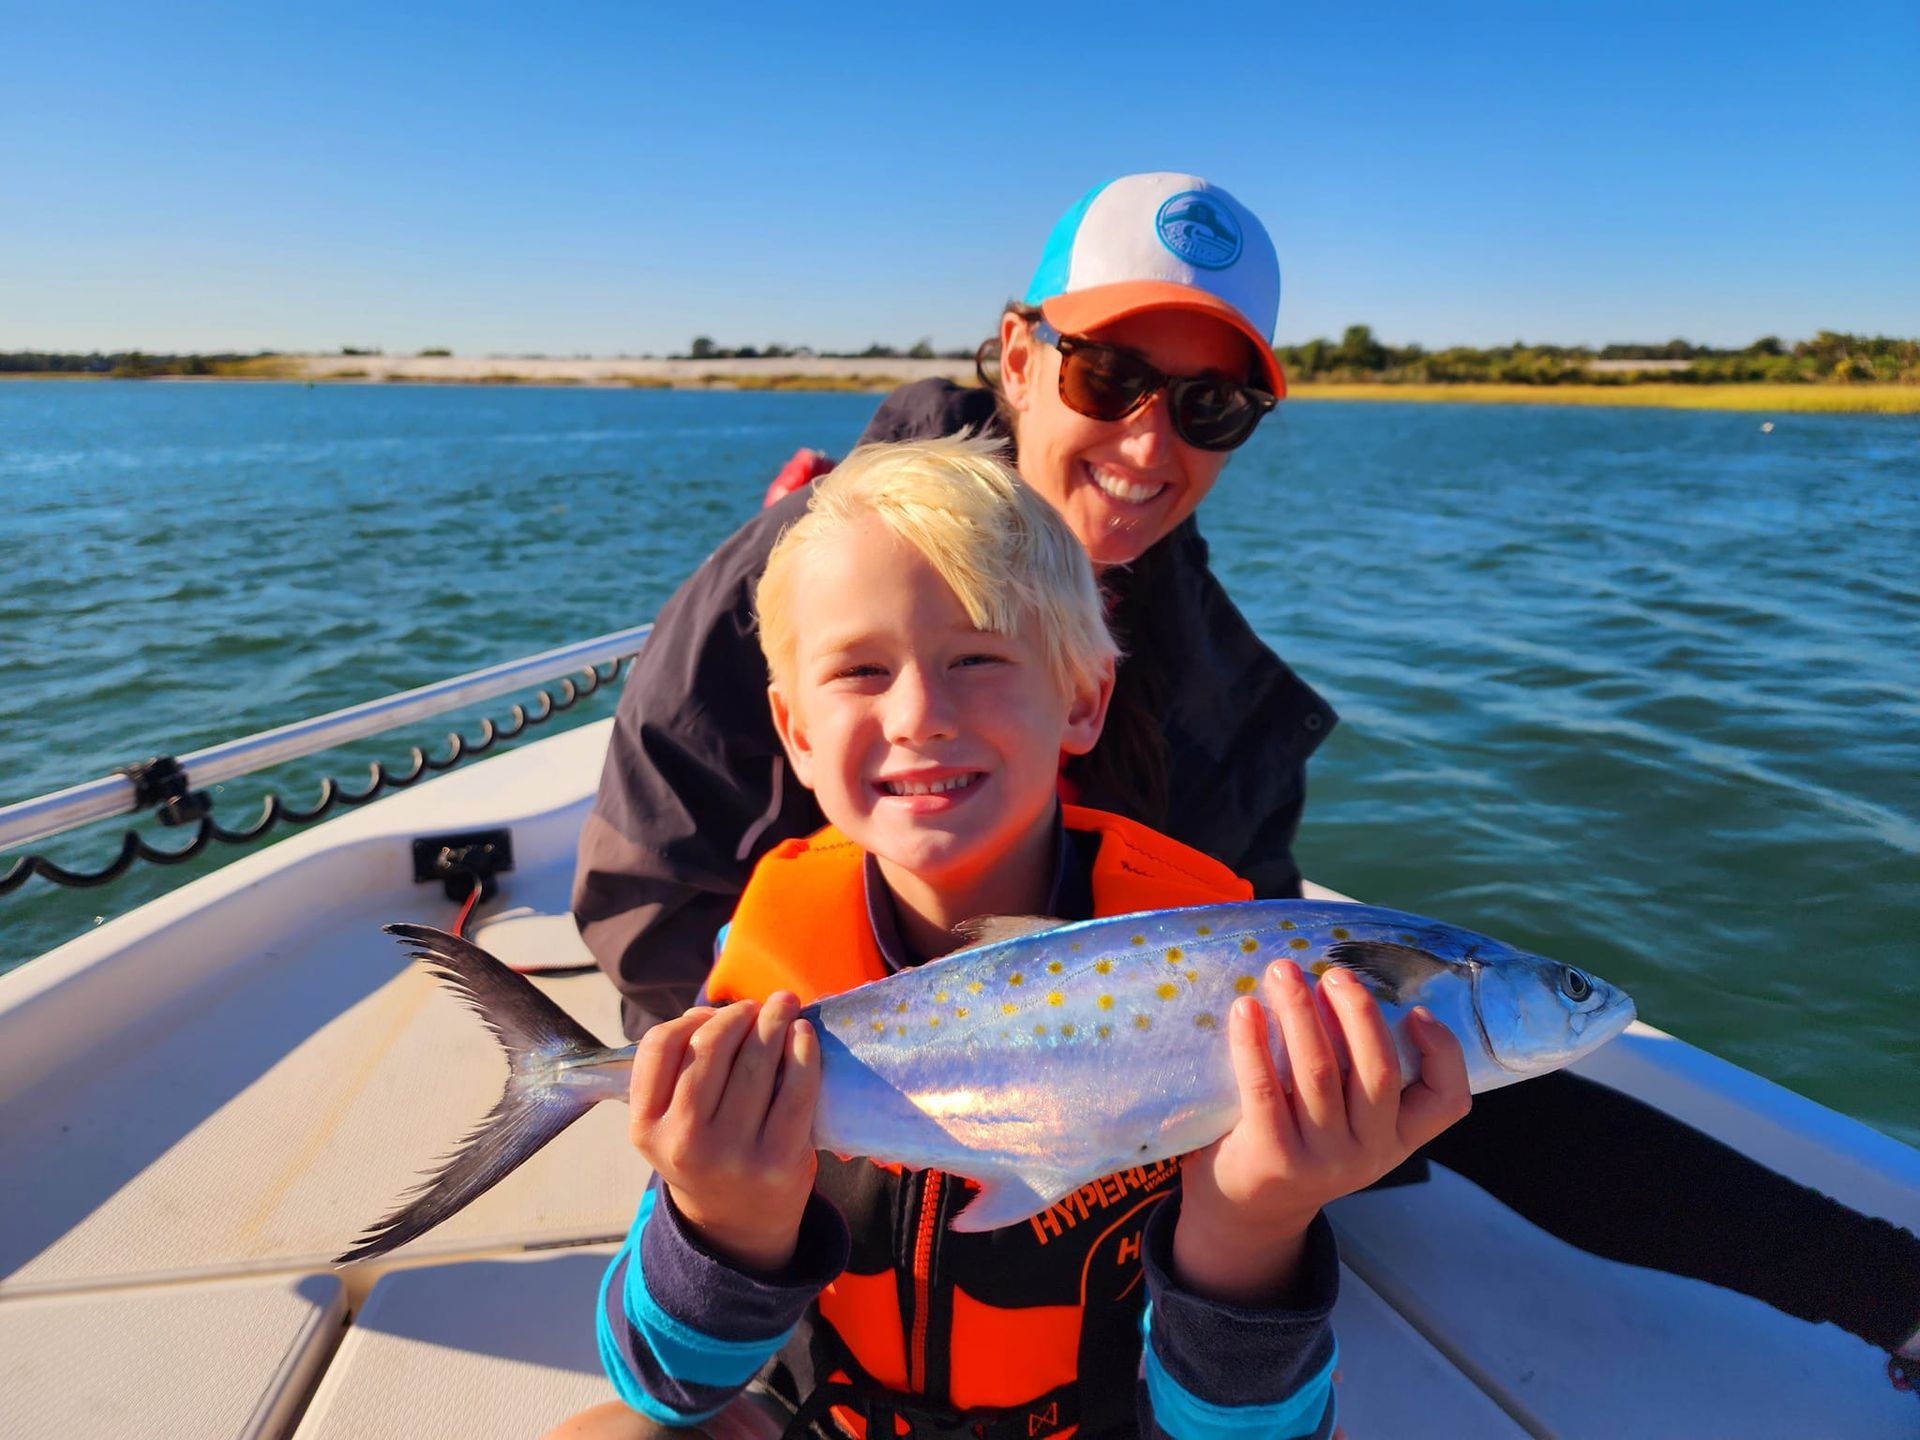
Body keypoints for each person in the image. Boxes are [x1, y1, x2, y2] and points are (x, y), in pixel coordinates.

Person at [573, 171, 1920, 1384]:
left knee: (1463, 1071)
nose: (1153, 446)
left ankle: (1892, 1289)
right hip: (830, 1135)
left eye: (1210, 406)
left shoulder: (1212, 670)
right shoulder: (806, 570)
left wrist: (1223, 1166)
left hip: (1145, 1146)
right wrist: (801, 1157)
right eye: (1108, 376)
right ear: (1017, 357)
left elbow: (1259, 937)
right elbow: (649, 899)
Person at [561, 435, 1472, 1438]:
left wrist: (1251, 1227)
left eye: (978, 658)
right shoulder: (774, 952)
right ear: (797, 734)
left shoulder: (1218, 960)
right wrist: (722, 1225)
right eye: (861, 670)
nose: (919, 714)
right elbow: (664, 1383)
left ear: (1082, 697)